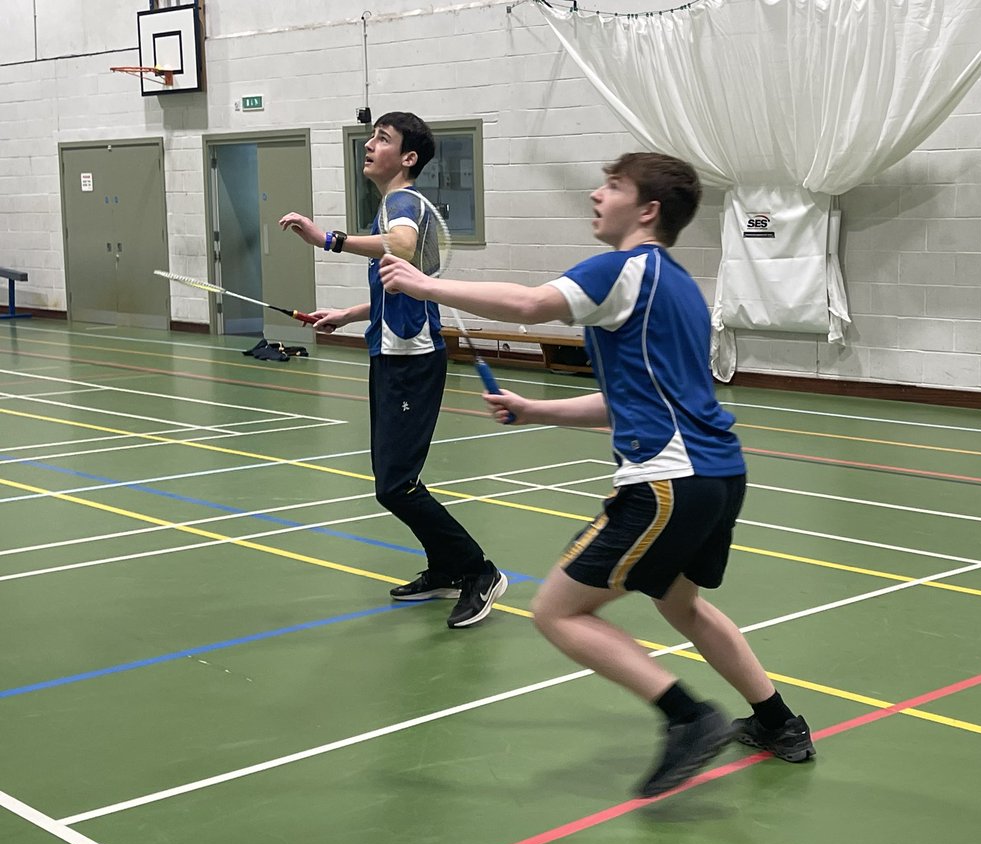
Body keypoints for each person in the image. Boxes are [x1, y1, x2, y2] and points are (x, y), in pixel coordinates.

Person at [378, 152, 814, 798]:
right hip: (720, 475)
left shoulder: (623, 269)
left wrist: (425, 286)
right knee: (681, 603)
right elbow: (631, 400)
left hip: (667, 481)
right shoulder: (682, 289)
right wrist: (535, 411)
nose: (595, 194)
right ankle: (781, 724)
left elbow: (529, 305)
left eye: (612, 187)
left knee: (556, 612)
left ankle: (688, 719)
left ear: (647, 211)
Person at [278, 112, 507, 628]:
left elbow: (401, 248)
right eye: (370, 136)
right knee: (393, 480)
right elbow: (399, 280)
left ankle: (478, 571)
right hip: (390, 355)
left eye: (382, 139)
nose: (369, 144)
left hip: (413, 362)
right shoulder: (391, 206)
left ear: (408, 159)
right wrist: (349, 314)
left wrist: (327, 239)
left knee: (395, 485)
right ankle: (446, 566)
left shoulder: (403, 203)